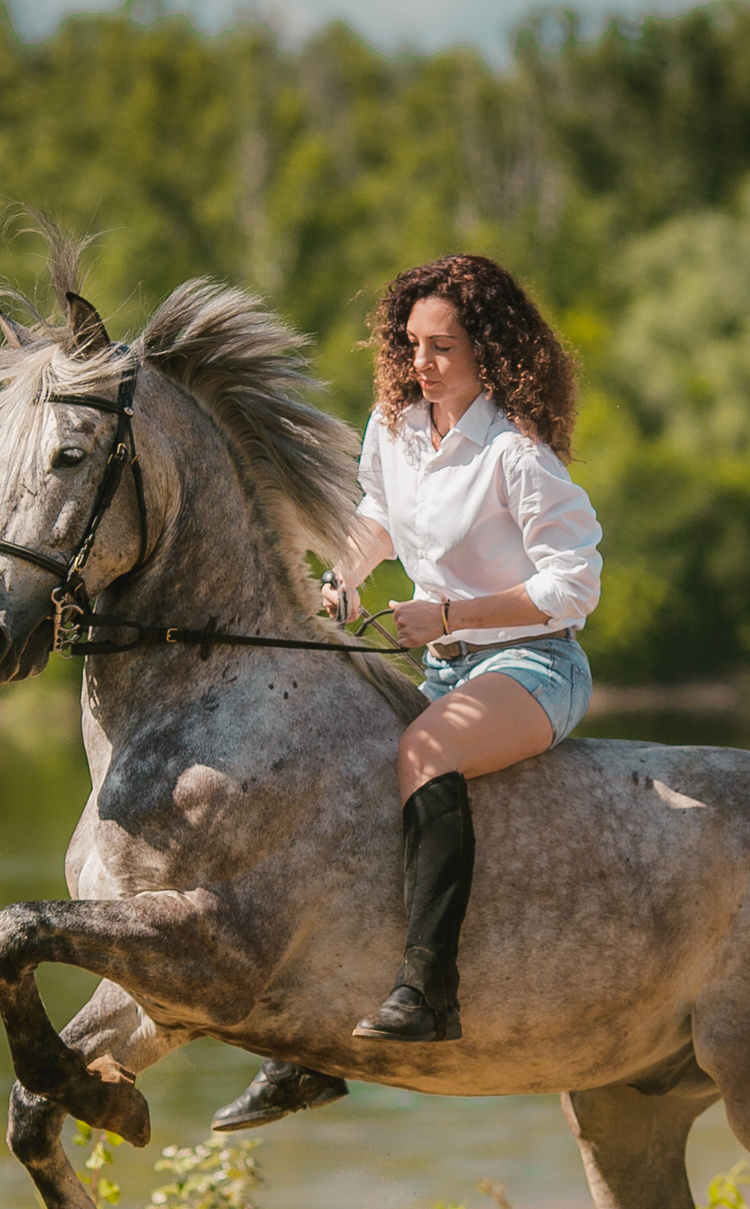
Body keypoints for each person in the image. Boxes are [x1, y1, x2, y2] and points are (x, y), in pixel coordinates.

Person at [212, 254, 601, 1133]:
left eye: (444, 347)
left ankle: (429, 993)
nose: (422, 362)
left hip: (535, 664)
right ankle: (308, 1049)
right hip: (445, 667)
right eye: (412, 343)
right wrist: (343, 580)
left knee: (423, 751)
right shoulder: (394, 428)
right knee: (344, 771)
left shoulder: (516, 453)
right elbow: (378, 521)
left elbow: (574, 586)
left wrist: (450, 614)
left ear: (489, 350)